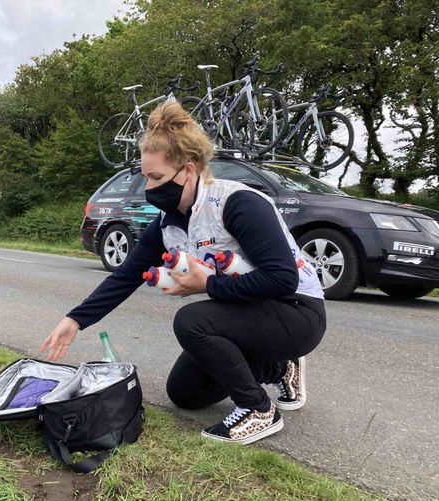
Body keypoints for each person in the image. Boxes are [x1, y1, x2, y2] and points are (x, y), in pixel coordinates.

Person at [41, 102, 326, 445]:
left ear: (188, 171)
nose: (149, 187)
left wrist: (208, 284)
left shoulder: (238, 204)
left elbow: (282, 279)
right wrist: (75, 321)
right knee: (185, 394)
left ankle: (257, 409)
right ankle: (278, 368)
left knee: (191, 321)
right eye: (145, 177)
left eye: (157, 177)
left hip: (296, 312)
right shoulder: (167, 220)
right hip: (250, 310)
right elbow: (127, 275)